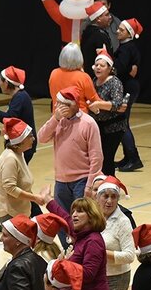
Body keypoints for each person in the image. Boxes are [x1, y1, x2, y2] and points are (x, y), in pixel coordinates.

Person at [38, 87, 104, 223]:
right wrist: (55, 119)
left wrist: (89, 185)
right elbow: (41, 138)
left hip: (82, 180)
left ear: (74, 105)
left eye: (63, 104)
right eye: (58, 104)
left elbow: (97, 157)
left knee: (82, 221)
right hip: (61, 180)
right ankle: (65, 239)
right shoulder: (58, 121)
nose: (59, 107)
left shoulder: (89, 123)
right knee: (61, 221)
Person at [88, 48, 127, 176]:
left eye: (102, 65)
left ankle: (110, 183)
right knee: (98, 158)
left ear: (110, 68)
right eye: (96, 65)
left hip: (114, 127)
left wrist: (98, 104)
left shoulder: (115, 82)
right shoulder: (93, 81)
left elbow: (117, 104)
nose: (98, 68)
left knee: (107, 159)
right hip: (98, 126)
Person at [0, 118, 43, 222]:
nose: (33, 139)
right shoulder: (10, 159)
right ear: (20, 141)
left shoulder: (19, 154)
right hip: (11, 213)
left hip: (20, 211)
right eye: (30, 136)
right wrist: (34, 198)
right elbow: (10, 188)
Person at [114, 17, 144, 173]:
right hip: (129, 86)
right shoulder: (127, 47)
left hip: (128, 88)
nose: (117, 31)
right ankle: (128, 156)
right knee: (123, 122)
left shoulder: (127, 48)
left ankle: (134, 158)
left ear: (129, 33)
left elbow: (119, 67)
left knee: (122, 122)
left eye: (121, 29)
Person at [48, 43, 100, 114]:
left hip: (58, 115)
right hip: (79, 117)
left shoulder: (53, 73)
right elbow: (94, 100)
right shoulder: (83, 77)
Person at [80, 0, 113, 78]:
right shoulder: (99, 36)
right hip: (99, 78)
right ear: (98, 18)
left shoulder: (87, 32)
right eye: (107, 15)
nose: (110, 17)